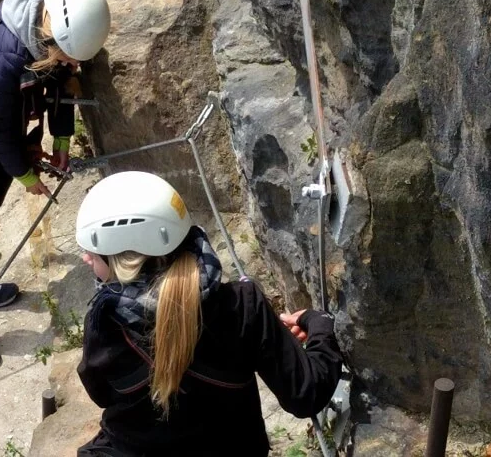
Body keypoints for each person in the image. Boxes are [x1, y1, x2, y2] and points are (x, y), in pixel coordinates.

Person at [74, 171, 342, 456]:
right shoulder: (242, 305)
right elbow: (306, 393)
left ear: (125, 260)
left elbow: (100, 394)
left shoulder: (106, 319)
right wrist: (319, 323)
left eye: (93, 252)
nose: (85, 258)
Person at [0, 0, 111, 368]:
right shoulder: (10, 50)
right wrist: (23, 173)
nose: (75, 65)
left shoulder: (51, 29)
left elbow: (60, 88)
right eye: (70, 56)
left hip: (6, 128)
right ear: (52, 39)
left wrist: (61, 144)